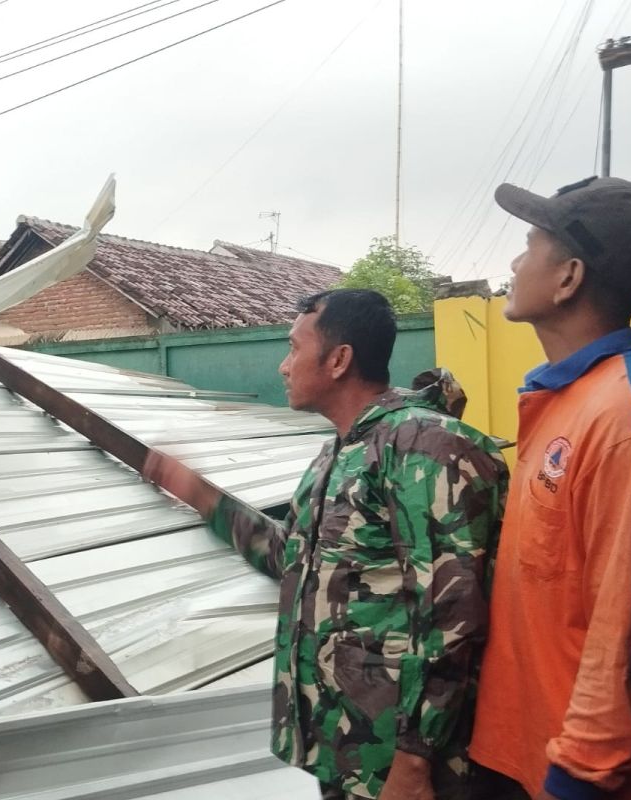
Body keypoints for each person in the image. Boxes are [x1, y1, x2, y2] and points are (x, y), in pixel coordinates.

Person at [145, 288, 508, 799]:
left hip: (412, 770)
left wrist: (413, 765)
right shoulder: (337, 455)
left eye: (294, 348)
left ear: (339, 360)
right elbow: (291, 558)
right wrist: (202, 496)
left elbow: (452, 618)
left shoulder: (425, 448)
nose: (283, 367)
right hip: (348, 754)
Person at [469, 176, 631, 800]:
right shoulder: (563, 401)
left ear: (569, 277)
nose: (516, 262)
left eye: (530, 243)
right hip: (518, 749)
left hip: (579, 779)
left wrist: (579, 777)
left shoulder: (628, 419)